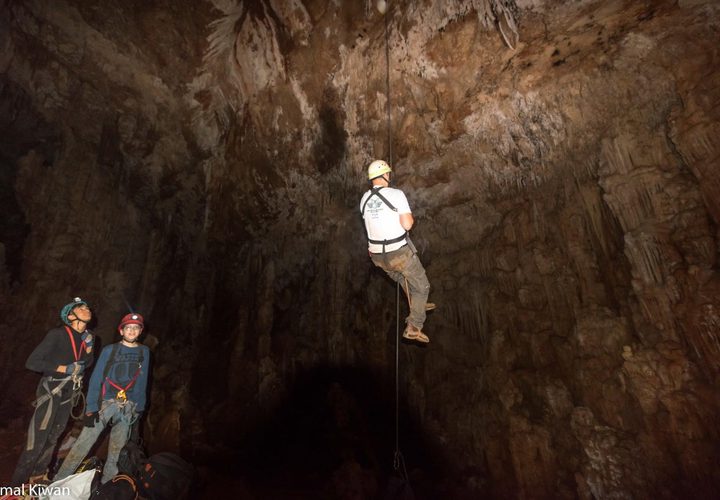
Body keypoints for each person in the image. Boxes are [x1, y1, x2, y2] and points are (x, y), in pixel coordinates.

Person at [55, 312, 151, 484]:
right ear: (121, 331)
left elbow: (142, 380)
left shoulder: (144, 352)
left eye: (135, 328)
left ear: (140, 331)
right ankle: (58, 481)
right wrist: (91, 407)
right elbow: (97, 378)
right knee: (82, 444)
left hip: (127, 407)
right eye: (128, 328)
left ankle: (107, 486)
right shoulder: (110, 350)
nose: (131, 331)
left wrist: (139, 408)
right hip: (104, 404)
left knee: (117, 450)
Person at [11, 297, 95, 486]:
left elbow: (86, 364)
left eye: (87, 307)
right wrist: (62, 368)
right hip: (52, 389)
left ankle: (38, 476)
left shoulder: (88, 338)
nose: (87, 309)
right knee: (38, 438)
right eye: (81, 308)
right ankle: (17, 483)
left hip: (69, 393)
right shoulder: (57, 334)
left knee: (54, 436)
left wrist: (89, 349)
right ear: (71, 316)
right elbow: (32, 362)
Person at [360, 159, 433, 343]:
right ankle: (414, 325)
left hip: (377, 258)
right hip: (398, 253)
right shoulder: (396, 194)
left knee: (402, 278)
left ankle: (418, 305)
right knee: (422, 286)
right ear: (386, 175)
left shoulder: (364, 199)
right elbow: (407, 224)